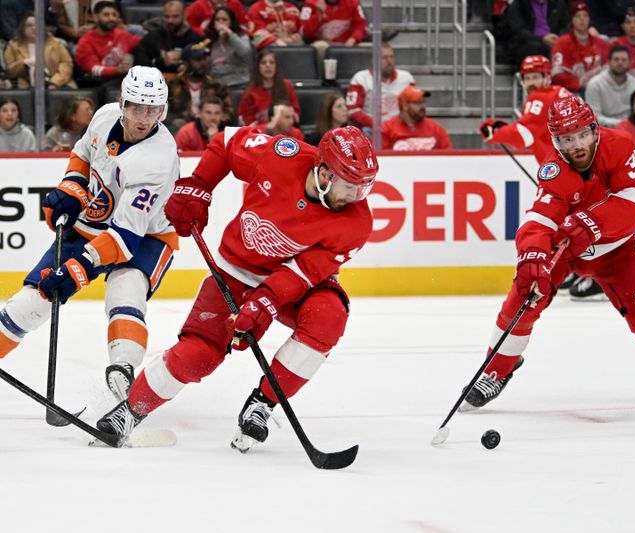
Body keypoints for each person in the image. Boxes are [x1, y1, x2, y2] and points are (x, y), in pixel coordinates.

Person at [95, 126, 378, 452]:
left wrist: (264, 304)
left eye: (363, 187)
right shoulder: (279, 155)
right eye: (351, 187)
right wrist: (200, 185)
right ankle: (130, 411)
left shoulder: (356, 222)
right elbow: (227, 142)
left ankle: (263, 403)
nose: (357, 197)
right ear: (325, 173)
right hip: (236, 271)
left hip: (296, 283)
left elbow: (303, 272)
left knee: (328, 316)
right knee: (200, 353)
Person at [460, 94, 635, 412]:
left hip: (616, 248)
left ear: (595, 130)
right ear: (556, 141)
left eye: (581, 134)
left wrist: (593, 221)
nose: (575, 145)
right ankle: (496, 368)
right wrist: (532, 256)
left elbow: (633, 208)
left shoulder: (620, 145)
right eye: (566, 138)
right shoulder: (553, 169)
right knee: (525, 295)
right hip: (566, 247)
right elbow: (539, 220)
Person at [0, 66, 180, 406]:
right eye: (138, 108)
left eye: (153, 109)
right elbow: (83, 153)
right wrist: (72, 187)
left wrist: (77, 269)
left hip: (148, 236)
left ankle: (123, 375)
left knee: (125, 292)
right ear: (123, 104)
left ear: (164, 110)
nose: (145, 118)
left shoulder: (158, 160)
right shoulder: (104, 116)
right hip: (92, 224)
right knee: (29, 303)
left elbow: (125, 238)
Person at [478, 55, 571, 163]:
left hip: (566, 167)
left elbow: (523, 135)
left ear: (547, 78)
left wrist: (496, 133)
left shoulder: (541, 97)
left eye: (535, 77)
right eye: (527, 78)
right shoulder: (559, 92)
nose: (530, 83)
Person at [346, 42, 415, 133]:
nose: (389, 61)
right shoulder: (360, 78)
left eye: (391, 57)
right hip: (371, 128)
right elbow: (352, 110)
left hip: (399, 127)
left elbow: (414, 105)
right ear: (373, 60)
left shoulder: (407, 78)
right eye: (384, 57)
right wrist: (376, 125)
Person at [166, 42, 234, 130]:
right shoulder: (172, 85)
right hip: (180, 130)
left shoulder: (216, 86)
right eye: (197, 60)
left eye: (204, 59)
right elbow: (162, 112)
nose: (203, 63)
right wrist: (173, 120)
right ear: (186, 63)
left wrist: (213, 120)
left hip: (210, 129)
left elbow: (229, 112)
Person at [3, 12, 78, 89]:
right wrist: (23, 64)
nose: (34, 28)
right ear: (23, 28)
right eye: (29, 25)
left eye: (37, 25)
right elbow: (9, 71)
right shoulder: (13, 46)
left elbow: (66, 65)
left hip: (58, 84)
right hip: (26, 86)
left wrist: (54, 83)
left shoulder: (56, 43)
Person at [132, 0, 204, 77]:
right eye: (167, 16)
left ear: (185, 15)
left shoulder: (196, 39)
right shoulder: (152, 37)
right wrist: (160, 61)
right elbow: (138, 66)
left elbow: (203, 66)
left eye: (175, 16)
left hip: (186, 83)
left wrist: (187, 67)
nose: (170, 20)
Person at [75, 2, 141, 84]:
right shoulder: (85, 42)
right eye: (106, 15)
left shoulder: (122, 34)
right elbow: (93, 69)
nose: (111, 18)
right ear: (95, 18)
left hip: (123, 80)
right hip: (99, 83)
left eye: (114, 15)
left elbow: (144, 41)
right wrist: (116, 70)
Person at [551, 2, 610, 94]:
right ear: (572, 20)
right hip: (572, 92)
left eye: (585, 16)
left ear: (589, 19)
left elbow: (609, 68)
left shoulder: (601, 43)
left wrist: (597, 85)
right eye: (578, 16)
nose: (582, 19)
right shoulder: (561, 43)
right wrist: (578, 84)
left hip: (600, 90)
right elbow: (557, 73)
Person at [494, 0, 569, 68]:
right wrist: (542, 39)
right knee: (535, 47)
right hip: (526, 44)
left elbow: (565, 26)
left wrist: (558, 39)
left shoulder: (559, 3)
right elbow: (518, 31)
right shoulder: (519, 4)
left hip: (554, 42)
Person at [238, 48, 300, 129]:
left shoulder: (287, 86)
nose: (268, 65)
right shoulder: (250, 93)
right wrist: (268, 127)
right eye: (264, 63)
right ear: (258, 67)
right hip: (261, 134)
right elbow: (247, 123)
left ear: (276, 66)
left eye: (271, 62)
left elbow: (295, 114)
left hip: (285, 130)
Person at [585, 45, 635, 127]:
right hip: (605, 130)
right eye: (616, 59)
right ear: (608, 62)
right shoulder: (595, 84)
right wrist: (622, 124)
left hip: (632, 129)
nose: (620, 63)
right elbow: (593, 118)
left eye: (624, 60)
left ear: (630, 63)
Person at [381, 86, 452, 150]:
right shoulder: (387, 129)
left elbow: (448, 156)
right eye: (417, 103)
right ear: (405, 106)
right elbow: (382, 158)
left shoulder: (436, 129)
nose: (423, 106)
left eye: (423, 102)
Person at [205, 6, 253, 90]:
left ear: (231, 22)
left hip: (239, 84)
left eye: (224, 20)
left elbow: (245, 52)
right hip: (218, 86)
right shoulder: (210, 41)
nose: (221, 23)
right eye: (217, 19)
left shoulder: (241, 37)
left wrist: (229, 33)